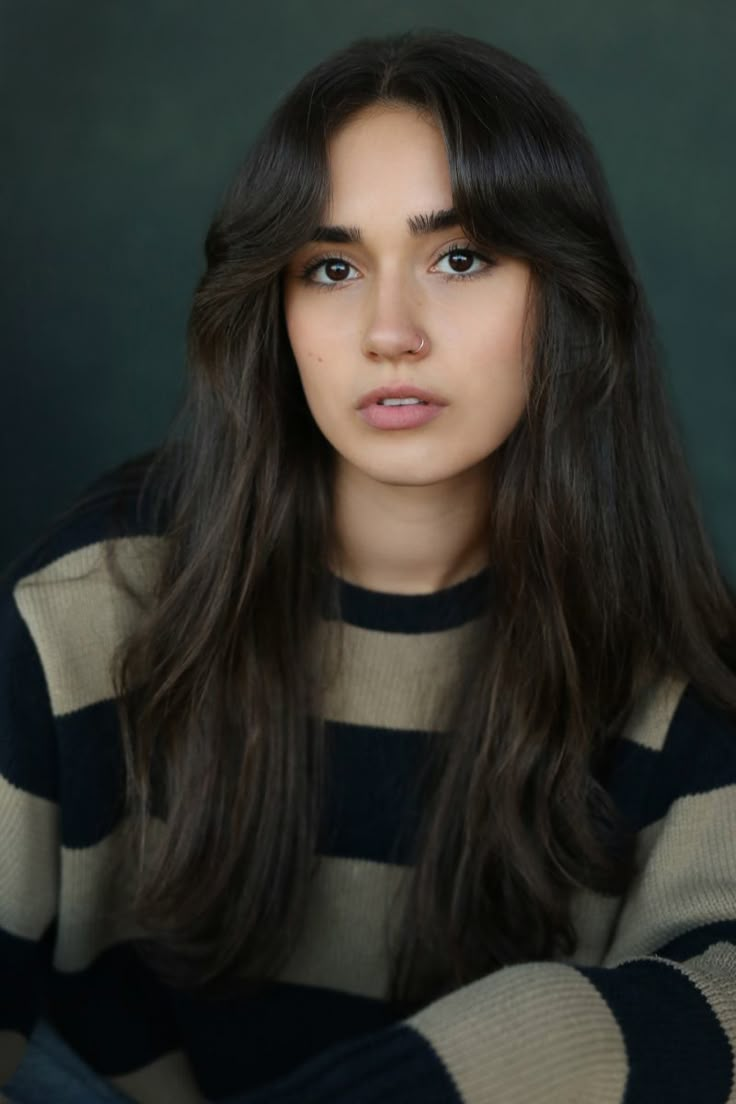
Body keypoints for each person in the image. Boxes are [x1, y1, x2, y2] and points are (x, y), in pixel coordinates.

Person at [1, 26, 735, 1104]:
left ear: (565, 292)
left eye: (460, 257)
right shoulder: (96, 596)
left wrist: (478, 1064)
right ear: (276, 308)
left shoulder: (681, 665)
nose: (390, 330)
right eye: (332, 267)